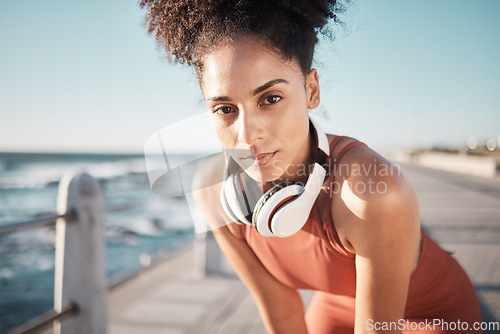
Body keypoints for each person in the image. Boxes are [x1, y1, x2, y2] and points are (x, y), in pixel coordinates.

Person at [140, 1, 482, 333]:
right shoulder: (214, 192)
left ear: (311, 89)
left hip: (430, 313)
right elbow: (281, 311)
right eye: (225, 109)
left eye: (270, 99)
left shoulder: (372, 193)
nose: (247, 136)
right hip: (336, 306)